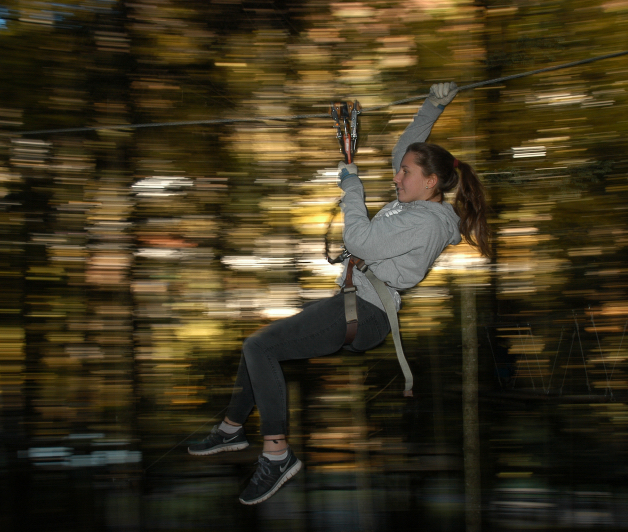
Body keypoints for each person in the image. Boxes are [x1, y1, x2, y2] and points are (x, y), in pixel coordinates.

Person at [187, 81, 490, 505]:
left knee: (260, 347)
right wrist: (434, 103)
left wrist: (351, 186)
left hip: (366, 312)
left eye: (405, 172)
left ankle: (276, 454)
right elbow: (406, 146)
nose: (397, 175)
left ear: (431, 182)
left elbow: (360, 240)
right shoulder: (416, 203)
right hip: (355, 305)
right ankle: (231, 430)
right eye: (400, 169)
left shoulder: (426, 222)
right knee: (258, 347)